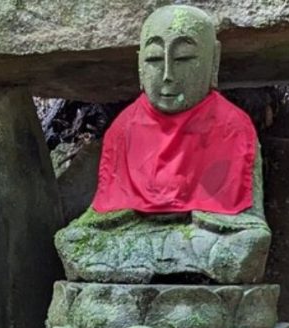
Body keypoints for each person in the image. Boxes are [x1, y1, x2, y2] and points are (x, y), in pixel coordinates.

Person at [55, 5, 271, 285]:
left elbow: (248, 221)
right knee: (73, 241)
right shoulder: (125, 127)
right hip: (136, 234)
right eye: (155, 59)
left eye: (183, 58)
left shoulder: (233, 127)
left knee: (247, 245)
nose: (168, 74)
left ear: (213, 61)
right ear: (140, 66)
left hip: (202, 238)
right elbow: (103, 211)